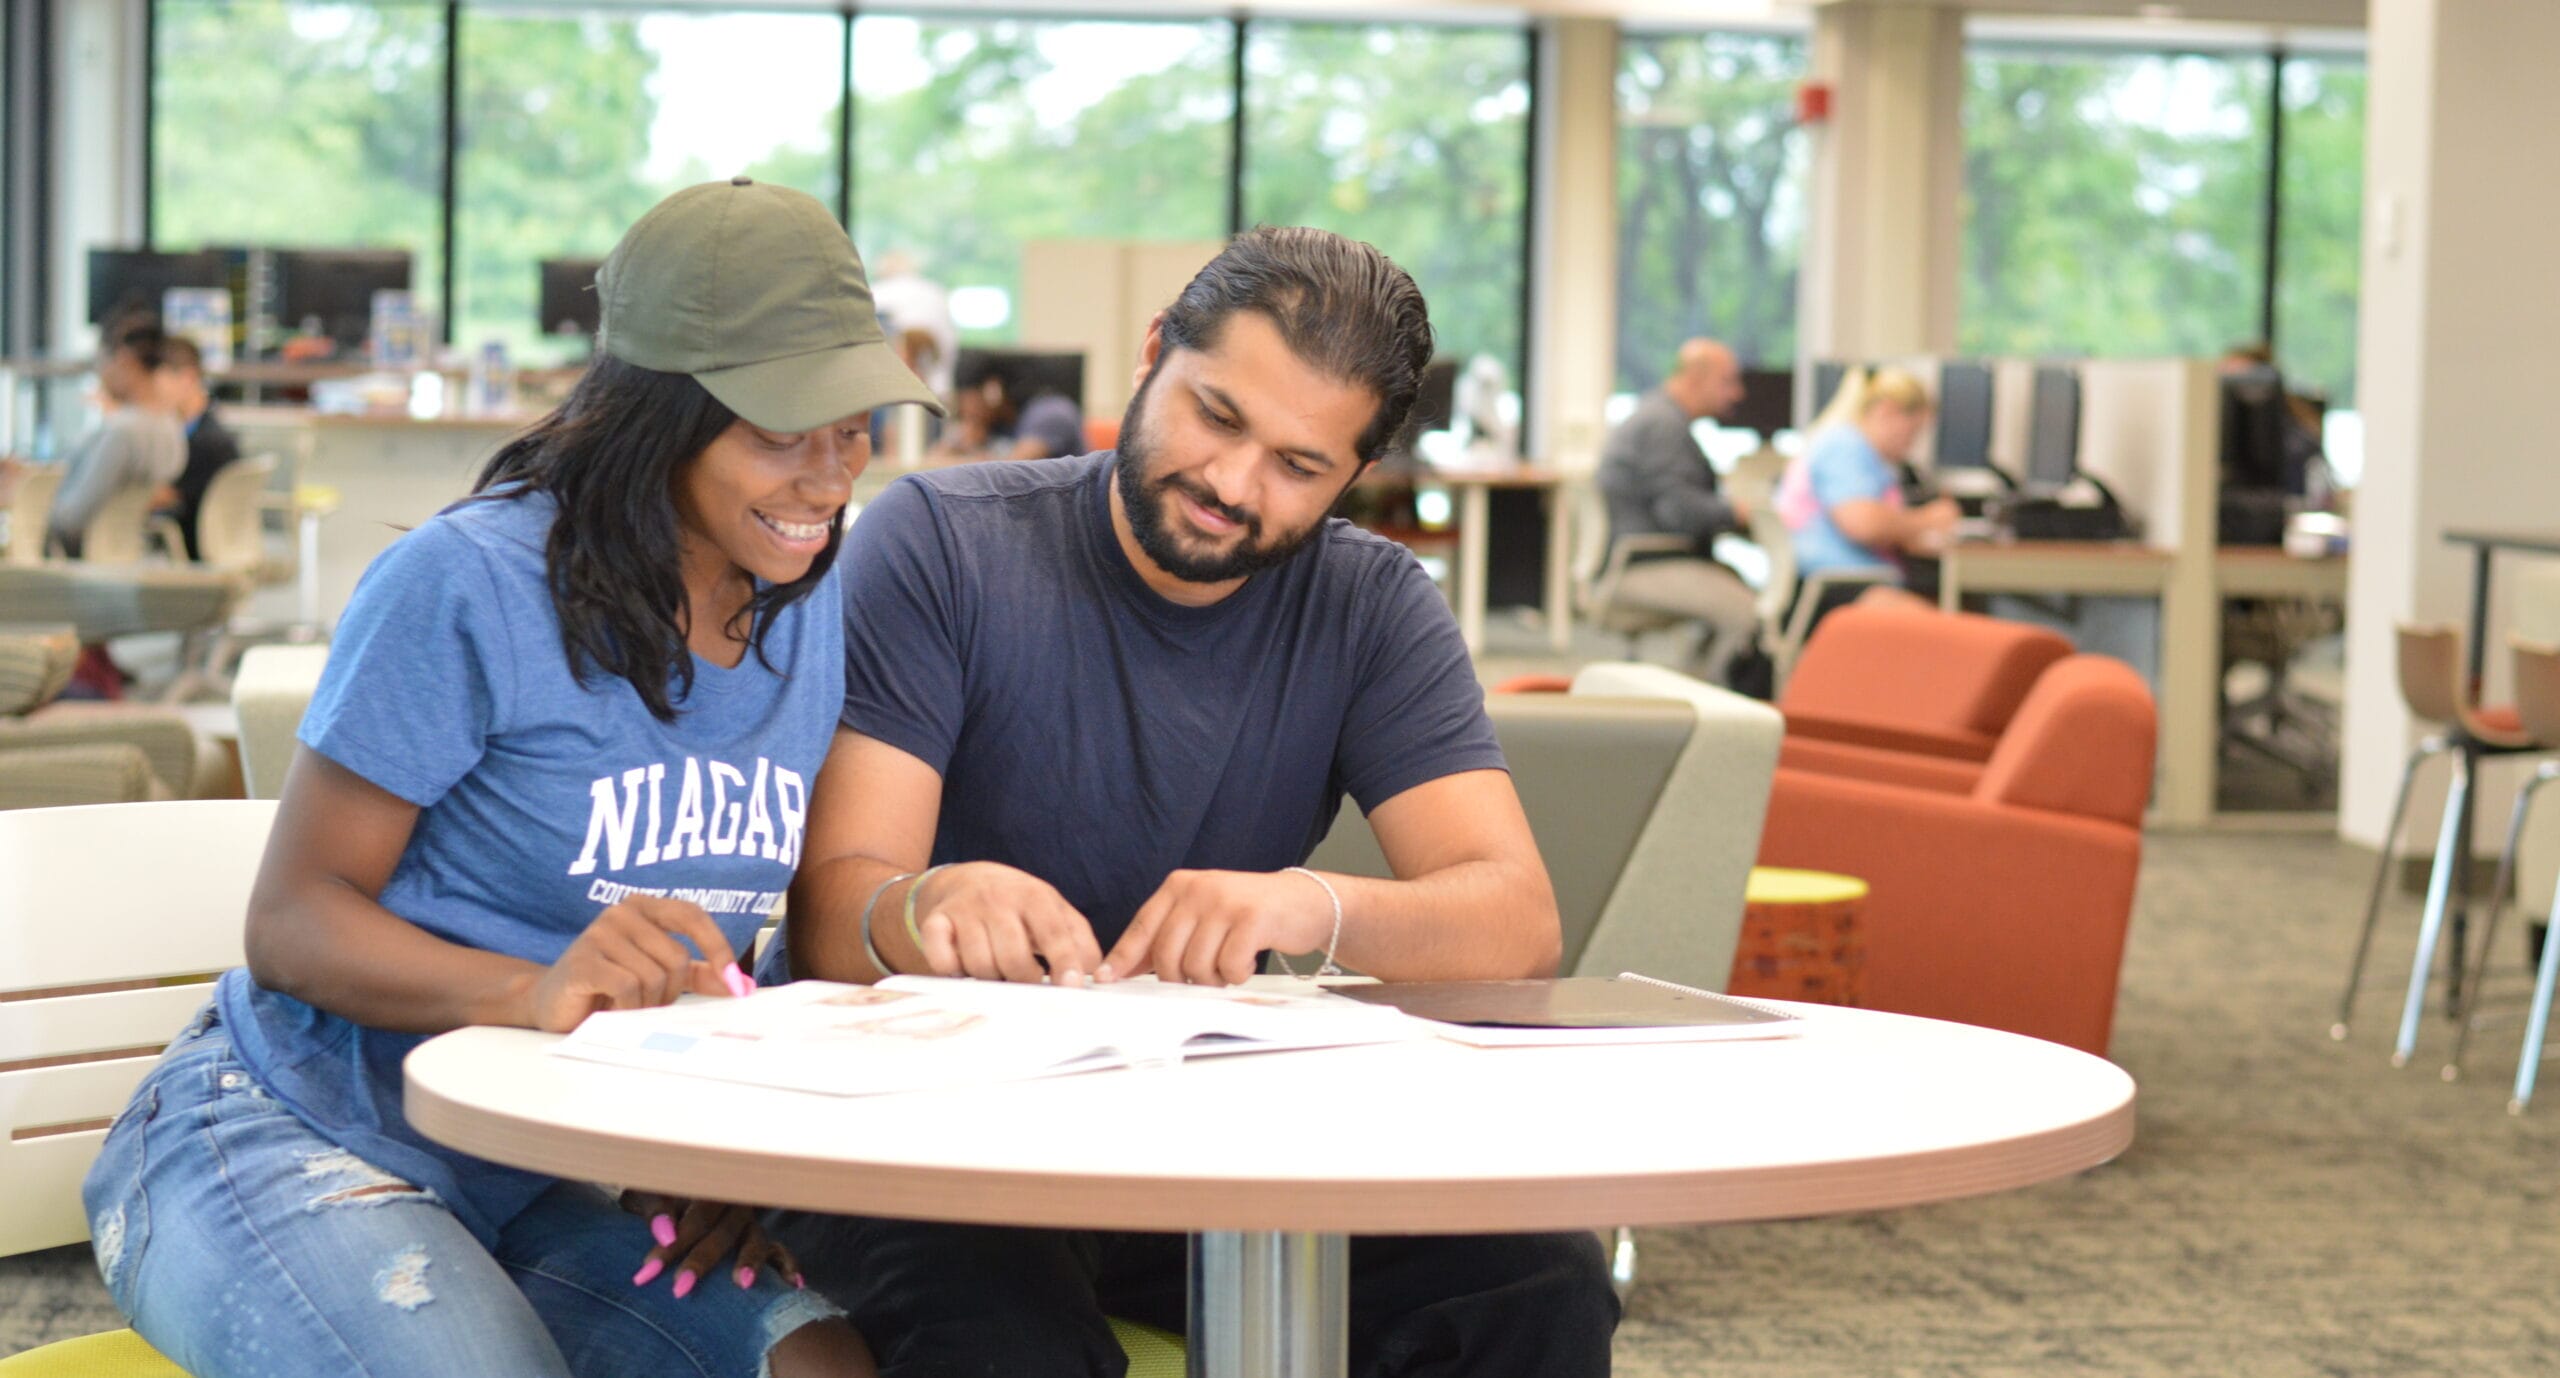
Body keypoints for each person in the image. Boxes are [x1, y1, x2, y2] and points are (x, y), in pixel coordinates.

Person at [79, 177, 942, 1378]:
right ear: (661, 412)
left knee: (819, 1363)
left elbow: (728, 946)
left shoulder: (805, 607)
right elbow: (290, 922)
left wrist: (711, 1152)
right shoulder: (469, 582)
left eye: (852, 426)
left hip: (532, 1165)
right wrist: (538, 987)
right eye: (778, 431)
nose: (828, 475)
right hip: (291, 1135)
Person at [760, 225, 1617, 1378]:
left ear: (1354, 475)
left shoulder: (1371, 606)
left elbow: (1517, 920)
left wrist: (1311, 908)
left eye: (1298, 466)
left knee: (1538, 1279)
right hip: (930, 1134)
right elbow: (831, 915)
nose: (1232, 484)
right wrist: (925, 907)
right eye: (1216, 416)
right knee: (1011, 1345)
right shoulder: (944, 546)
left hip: (1193, 1134)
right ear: (1153, 353)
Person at [1594, 337, 1763, 685]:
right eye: (1728, 381)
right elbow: (1680, 512)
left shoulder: (1657, 416)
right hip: (1644, 564)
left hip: (1642, 557)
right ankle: (1712, 707)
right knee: (1749, 613)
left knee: (1739, 592)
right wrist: (1737, 513)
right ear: (1696, 377)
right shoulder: (1663, 426)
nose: (1738, 394)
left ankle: (1694, 687)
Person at [1775, 365, 1957, 626]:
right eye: (1913, 431)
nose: (1912, 444)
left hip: (1842, 580)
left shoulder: (1855, 448)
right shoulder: (1845, 447)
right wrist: (1927, 520)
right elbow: (1863, 525)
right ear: (1887, 411)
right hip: (1835, 586)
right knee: (1943, 630)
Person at [45, 316, 188, 558]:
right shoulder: (170, 425)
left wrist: (24, 503)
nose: (101, 374)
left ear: (124, 360)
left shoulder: (122, 433)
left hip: (85, 558)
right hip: (128, 551)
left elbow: (73, 517)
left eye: (103, 362)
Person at [151, 334, 244, 561]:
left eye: (157, 380)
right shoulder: (203, 431)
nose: (154, 391)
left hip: (188, 552)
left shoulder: (207, 443)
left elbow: (154, 499)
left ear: (187, 378)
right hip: (200, 549)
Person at [936, 354, 1086, 460]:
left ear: (992, 391)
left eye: (968, 400)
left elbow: (1010, 472)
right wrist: (963, 440)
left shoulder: (1051, 413)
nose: (965, 409)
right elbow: (933, 459)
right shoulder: (993, 423)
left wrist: (968, 451)